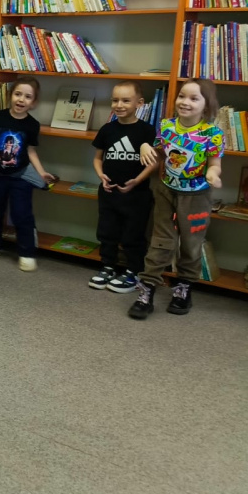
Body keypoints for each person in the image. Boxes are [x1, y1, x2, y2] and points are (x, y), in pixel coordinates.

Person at [129, 78, 222, 319]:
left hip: (197, 197)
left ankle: (183, 289)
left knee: (191, 244)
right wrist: (145, 148)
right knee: (161, 241)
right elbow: (159, 152)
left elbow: (215, 163)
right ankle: (147, 289)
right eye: (182, 96)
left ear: (206, 104)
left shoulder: (212, 133)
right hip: (166, 191)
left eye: (194, 98)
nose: (185, 102)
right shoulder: (167, 126)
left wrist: (213, 174)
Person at [0, 76, 54, 271]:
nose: (21, 99)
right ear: (10, 95)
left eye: (28, 96)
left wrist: (41, 172)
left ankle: (26, 252)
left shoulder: (32, 125)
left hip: (20, 175)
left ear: (33, 102)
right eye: (18, 94)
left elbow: (31, 151)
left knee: (22, 213)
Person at [88, 81, 157, 292]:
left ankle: (133, 271)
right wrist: (101, 175)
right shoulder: (107, 129)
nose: (119, 105)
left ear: (139, 103)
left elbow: (154, 162)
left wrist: (137, 180)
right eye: (115, 100)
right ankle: (108, 267)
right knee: (106, 232)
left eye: (126, 100)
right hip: (109, 192)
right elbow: (97, 158)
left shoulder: (146, 130)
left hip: (137, 195)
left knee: (133, 235)